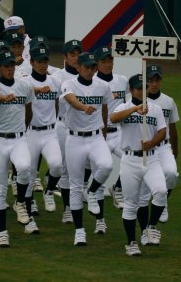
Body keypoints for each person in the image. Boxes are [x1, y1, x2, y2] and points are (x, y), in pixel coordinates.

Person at [110, 74, 167, 256]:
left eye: (145, 87)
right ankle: (131, 243)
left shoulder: (155, 108)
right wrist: (134, 109)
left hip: (151, 158)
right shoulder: (125, 107)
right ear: (131, 90)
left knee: (160, 191)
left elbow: (162, 131)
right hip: (130, 160)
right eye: (138, 88)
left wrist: (152, 143)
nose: (142, 91)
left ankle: (150, 227)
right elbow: (113, 118)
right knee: (131, 204)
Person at [61, 52, 114, 246]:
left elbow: (105, 106)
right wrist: (84, 107)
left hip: (96, 136)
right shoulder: (69, 83)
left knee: (107, 165)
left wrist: (105, 129)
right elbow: (70, 100)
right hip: (74, 139)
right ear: (78, 67)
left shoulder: (103, 85)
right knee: (75, 185)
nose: (91, 70)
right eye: (87, 67)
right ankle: (79, 231)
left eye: (93, 67)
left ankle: (91, 191)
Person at [0, 51, 35, 247]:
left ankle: (20, 202)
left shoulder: (24, 85)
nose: (10, 68)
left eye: (12, 65)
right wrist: (4, 99)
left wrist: (23, 128)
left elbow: (29, 110)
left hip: (18, 138)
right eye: (6, 65)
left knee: (24, 168)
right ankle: (3, 233)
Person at [23, 45, 63, 215]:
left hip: (49, 132)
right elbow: (20, 93)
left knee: (57, 165)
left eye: (45, 61)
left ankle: (49, 191)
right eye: (39, 61)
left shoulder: (54, 81)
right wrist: (37, 90)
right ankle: (29, 201)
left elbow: (57, 103)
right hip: (30, 132)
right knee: (30, 171)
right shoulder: (26, 82)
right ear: (31, 62)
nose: (43, 64)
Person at [143, 64, 180, 225]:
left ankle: (163, 202)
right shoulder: (138, 100)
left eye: (157, 80)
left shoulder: (168, 101)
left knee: (171, 174)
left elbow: (172, 127)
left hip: (163, 146)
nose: (154, 83)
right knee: (143, 190)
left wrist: (175, 150)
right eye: (150, 80)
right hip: (144, 148)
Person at [52, 40, 83, 224]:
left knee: (88, 165)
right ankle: (68, 208)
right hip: (63, 126)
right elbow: (54, 103)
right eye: (72, 54)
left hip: (85, 128)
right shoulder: (57, 77)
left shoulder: (88, 74)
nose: (76, 57)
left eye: (78, 53)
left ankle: (87, 192)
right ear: (65, 57)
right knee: (65, 169)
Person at [94, 46, 128, 209]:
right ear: (97, 63)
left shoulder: (122, 80)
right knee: (100, 170)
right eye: (104, 61)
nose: (108, 64)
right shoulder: (92, 82)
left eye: (110, 60)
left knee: (135, 161)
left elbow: (133, 95)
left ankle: (117, 188)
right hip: (101, 133)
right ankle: (99, 218)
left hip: (119, 131)